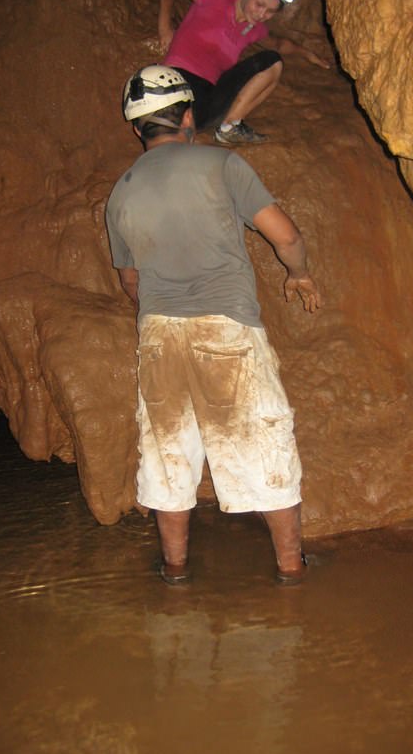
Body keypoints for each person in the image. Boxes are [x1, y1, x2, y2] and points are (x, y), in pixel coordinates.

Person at [105, 65, 322, 585]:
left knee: (168, 456)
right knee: (263, 445)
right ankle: (291, 572)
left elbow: (130, 282)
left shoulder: (120, 194)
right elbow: (285, 235)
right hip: (225, 327)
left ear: (137, 129)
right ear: (187, 117)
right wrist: (300, 274)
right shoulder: (221, 165)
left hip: (159, 336)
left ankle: (175, 572)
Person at [158, 0, 330, 145]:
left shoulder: (254, 29)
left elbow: (279, 45)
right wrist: (165, 29)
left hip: (206, 103)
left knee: (273, 62)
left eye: (270, 12)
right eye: (259, 4)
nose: (262, 15)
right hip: (176, 85)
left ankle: (229, 127)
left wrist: (307, 53)